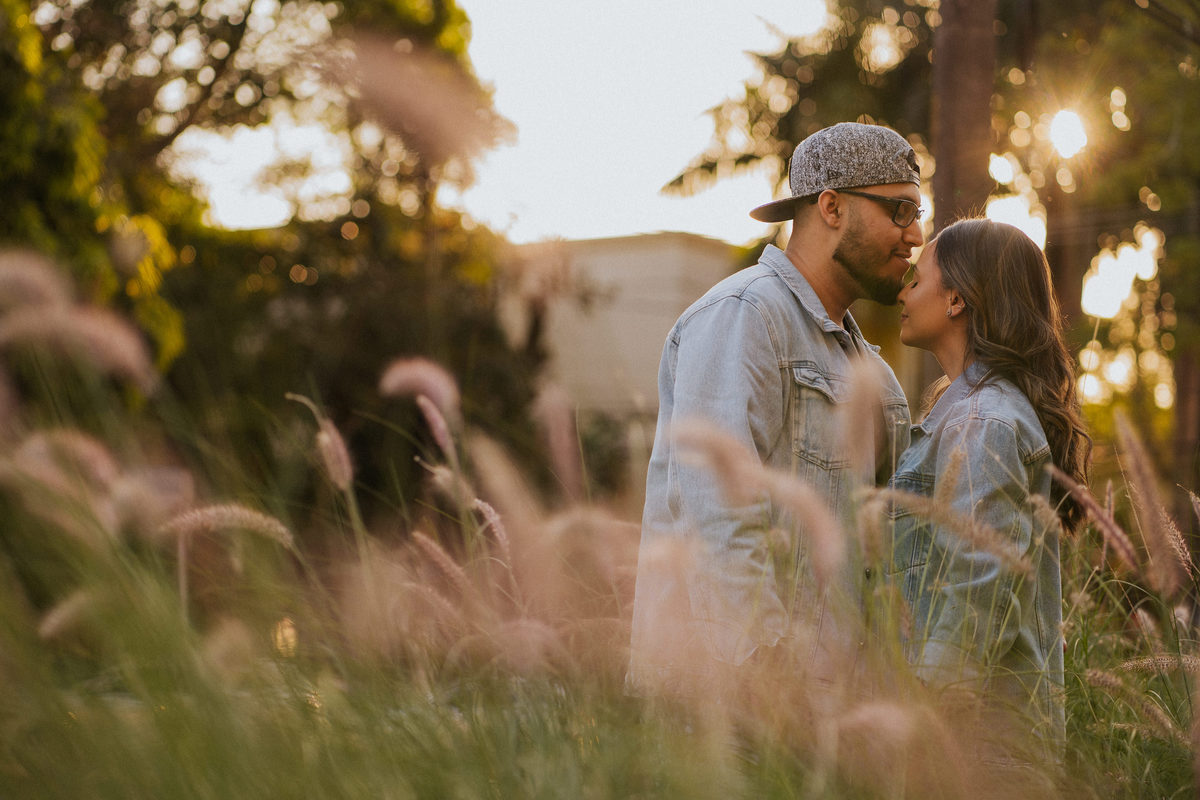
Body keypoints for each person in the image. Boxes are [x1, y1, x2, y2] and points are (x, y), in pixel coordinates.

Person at [628, 122, 924, 688]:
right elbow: (721, 513)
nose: (915, 236)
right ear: (832, 208)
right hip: (730, 709)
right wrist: (771, 678)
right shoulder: (744, 316)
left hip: (823, 714)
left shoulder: (871, 372)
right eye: (900, 212)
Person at [886, 218, 1091, 759]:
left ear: (956, 299)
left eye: (918, 279)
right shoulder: (972, 412)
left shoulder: (985, 422)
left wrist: (922, 728)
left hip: (975, 751)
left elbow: (974, 597)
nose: (902, 291)